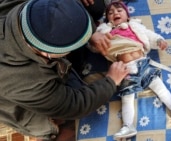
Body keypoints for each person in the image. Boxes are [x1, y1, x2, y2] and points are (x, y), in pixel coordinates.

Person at [0, 0, 129, 140]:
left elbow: (54, 8)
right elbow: (74, 104)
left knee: (95, 6)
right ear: (47, 53)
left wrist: (90, 31)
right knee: (69, 124)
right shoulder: (22, 80)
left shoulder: (32, 10)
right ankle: (50, 131)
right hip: (24, 107)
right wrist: (110, 81)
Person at [90, 1, 171, 139]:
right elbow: (96, 46)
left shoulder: (135, 26)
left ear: (127, 16)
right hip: (125, 68)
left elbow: (149, 35)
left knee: (159, 86)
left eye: (119, 10)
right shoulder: (107, 31)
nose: (115, 13)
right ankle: (127, 126)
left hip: (142, 62)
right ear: (108, 19)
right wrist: (95, 37)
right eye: (110, 13)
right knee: (127, 98)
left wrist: (159, 41)